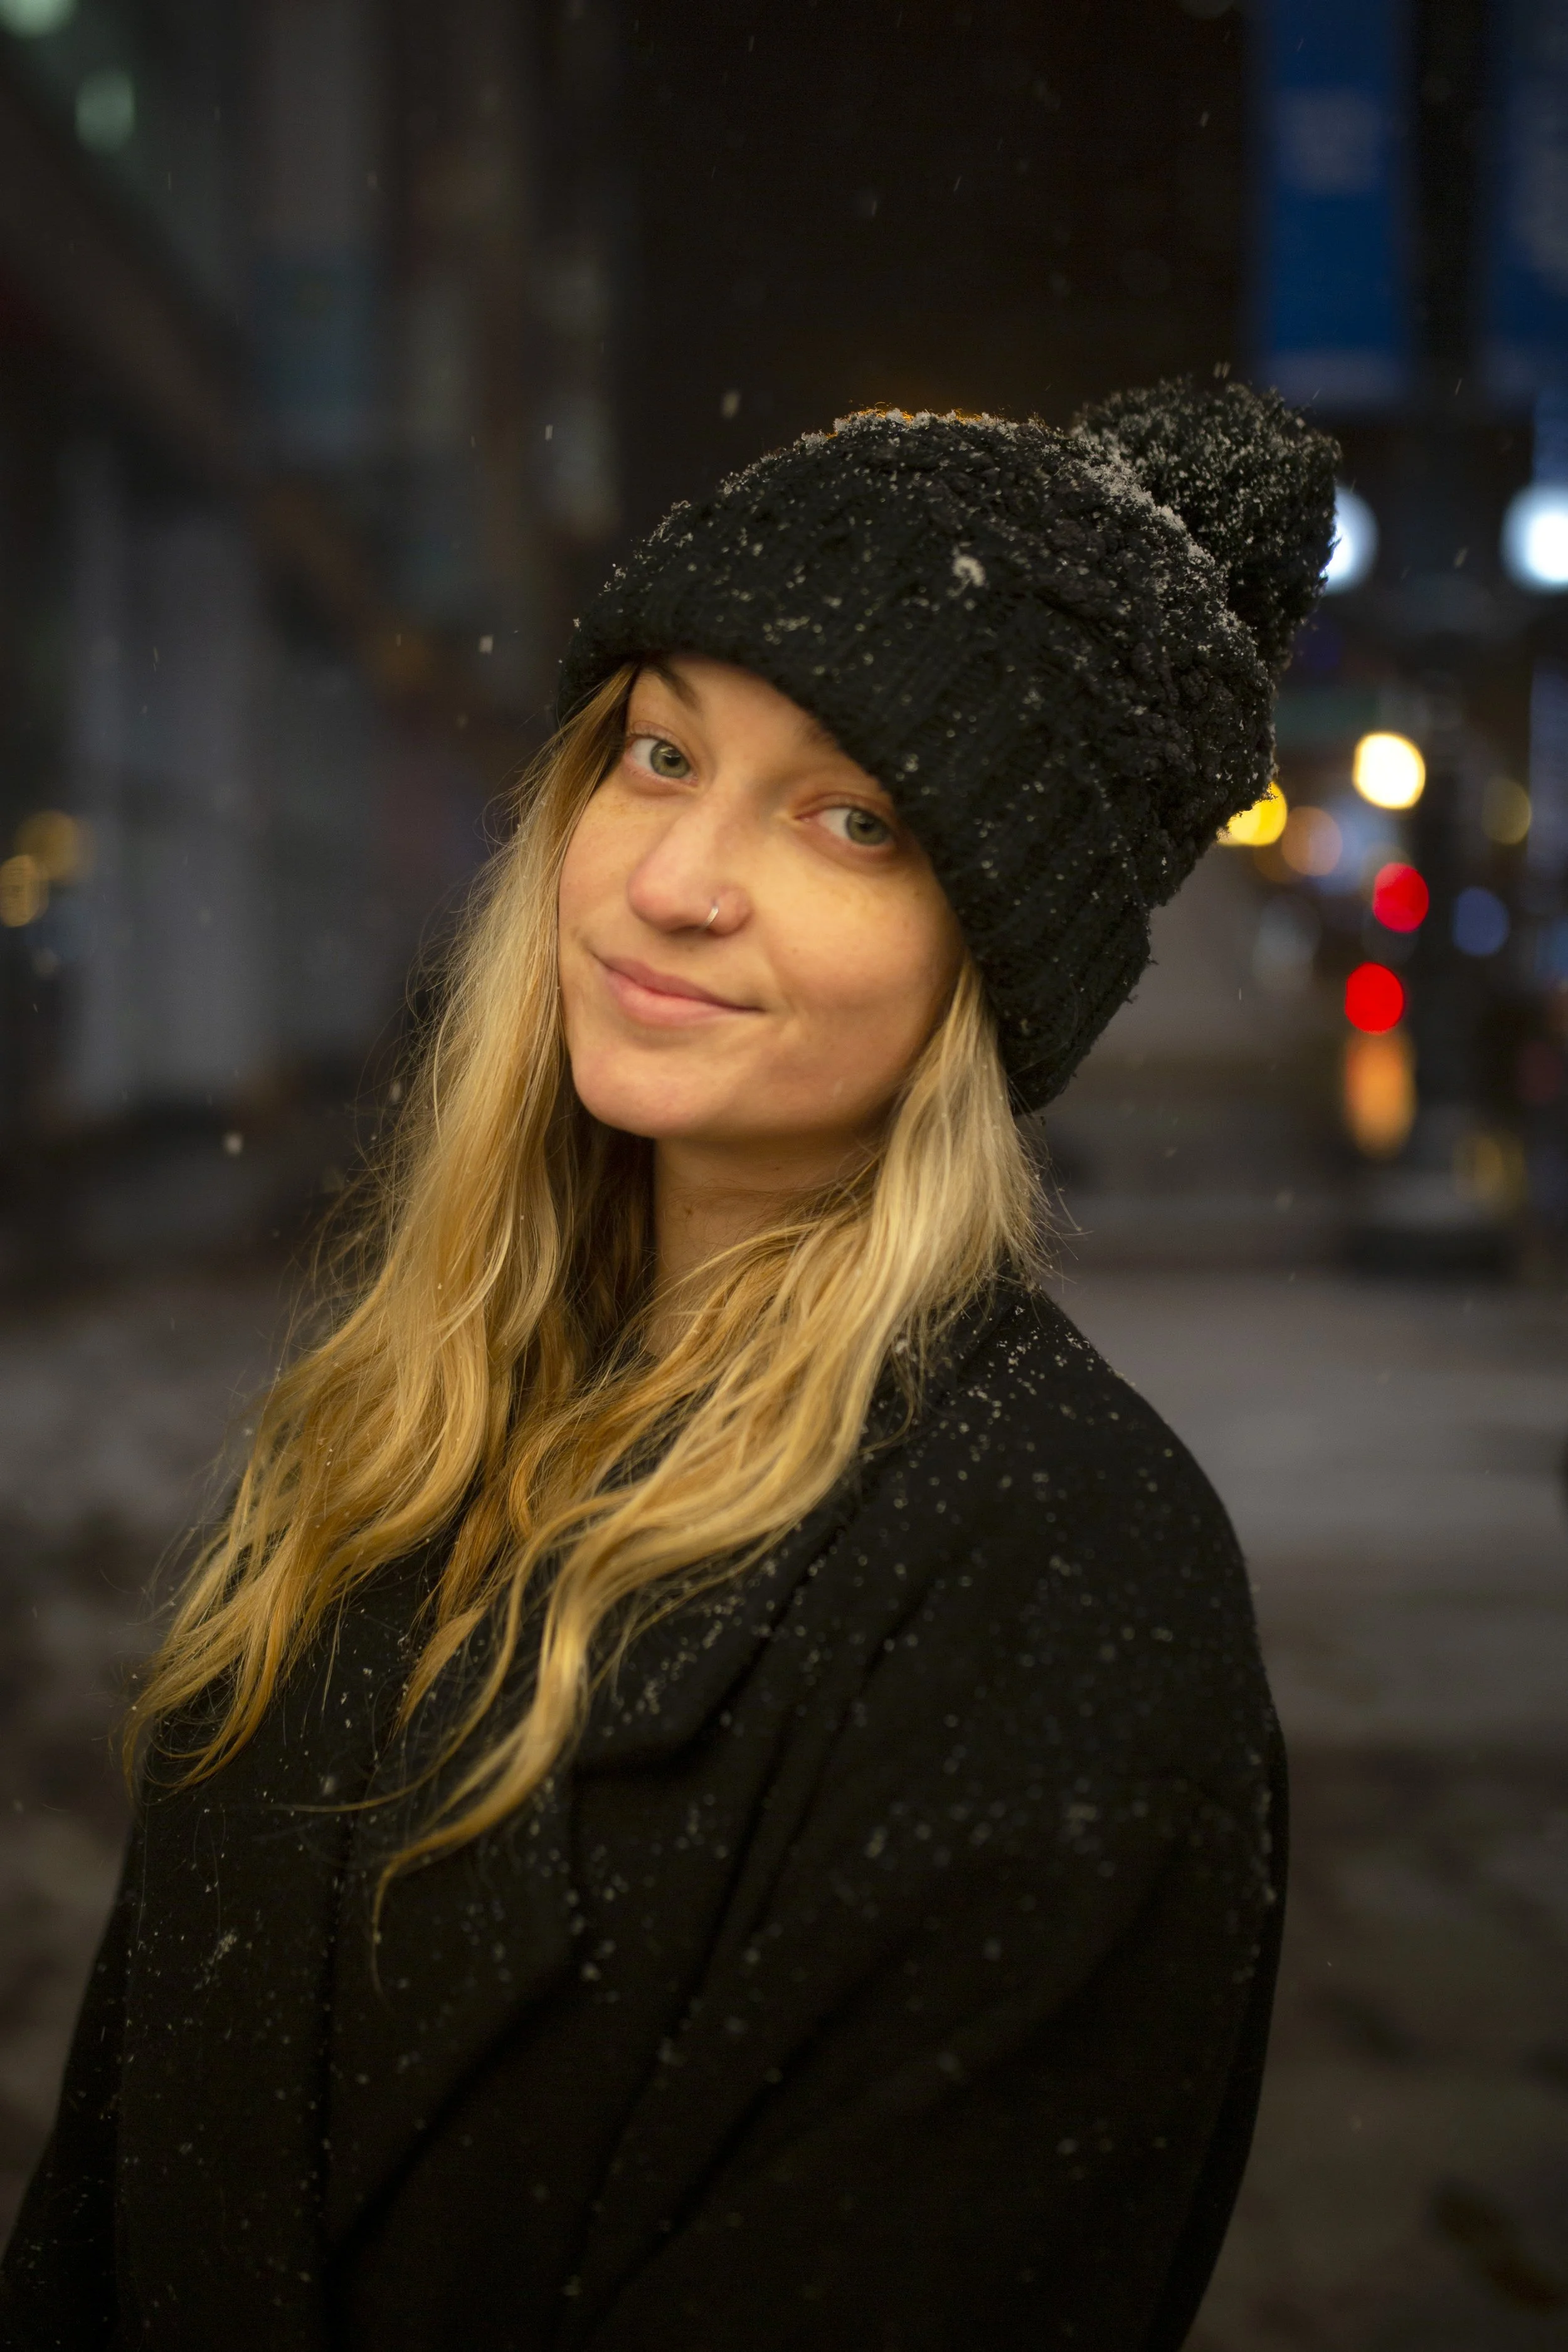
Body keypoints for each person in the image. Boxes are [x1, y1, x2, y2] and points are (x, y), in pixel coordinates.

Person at [1, 380, 1335, 2351]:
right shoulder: (410, 1419)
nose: (676, 877)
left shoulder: (1058, 1579)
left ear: (989, 961)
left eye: (846, 815)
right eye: (657, 751)